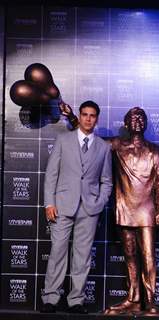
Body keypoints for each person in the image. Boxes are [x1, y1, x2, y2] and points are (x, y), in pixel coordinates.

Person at [60, 104, 159, 316]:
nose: (138, 121)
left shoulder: (156, 151)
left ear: (146, 123)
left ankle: (151, 301)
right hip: (124, 211)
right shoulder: (117, 146)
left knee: (148, 257)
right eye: (133, 118)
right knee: (130, 257)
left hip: (147, 212)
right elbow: (94, 140)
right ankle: (134, 298)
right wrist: (73, 118)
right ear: (127, 124)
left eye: (141, 117)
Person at [40, 100, 112, 314]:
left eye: (92, 115)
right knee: (58, 252)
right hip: (62, 206)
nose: (88, 119)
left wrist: (99, 203)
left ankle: (76, 301)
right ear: (79, 116)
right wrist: (49, 202)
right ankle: (50, 298)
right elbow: (51, 173)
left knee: (82, 256)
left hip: (89, 209)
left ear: (96, 119)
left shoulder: (103, 147)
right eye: (85, 114)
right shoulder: (63, 140)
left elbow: (106, 181)